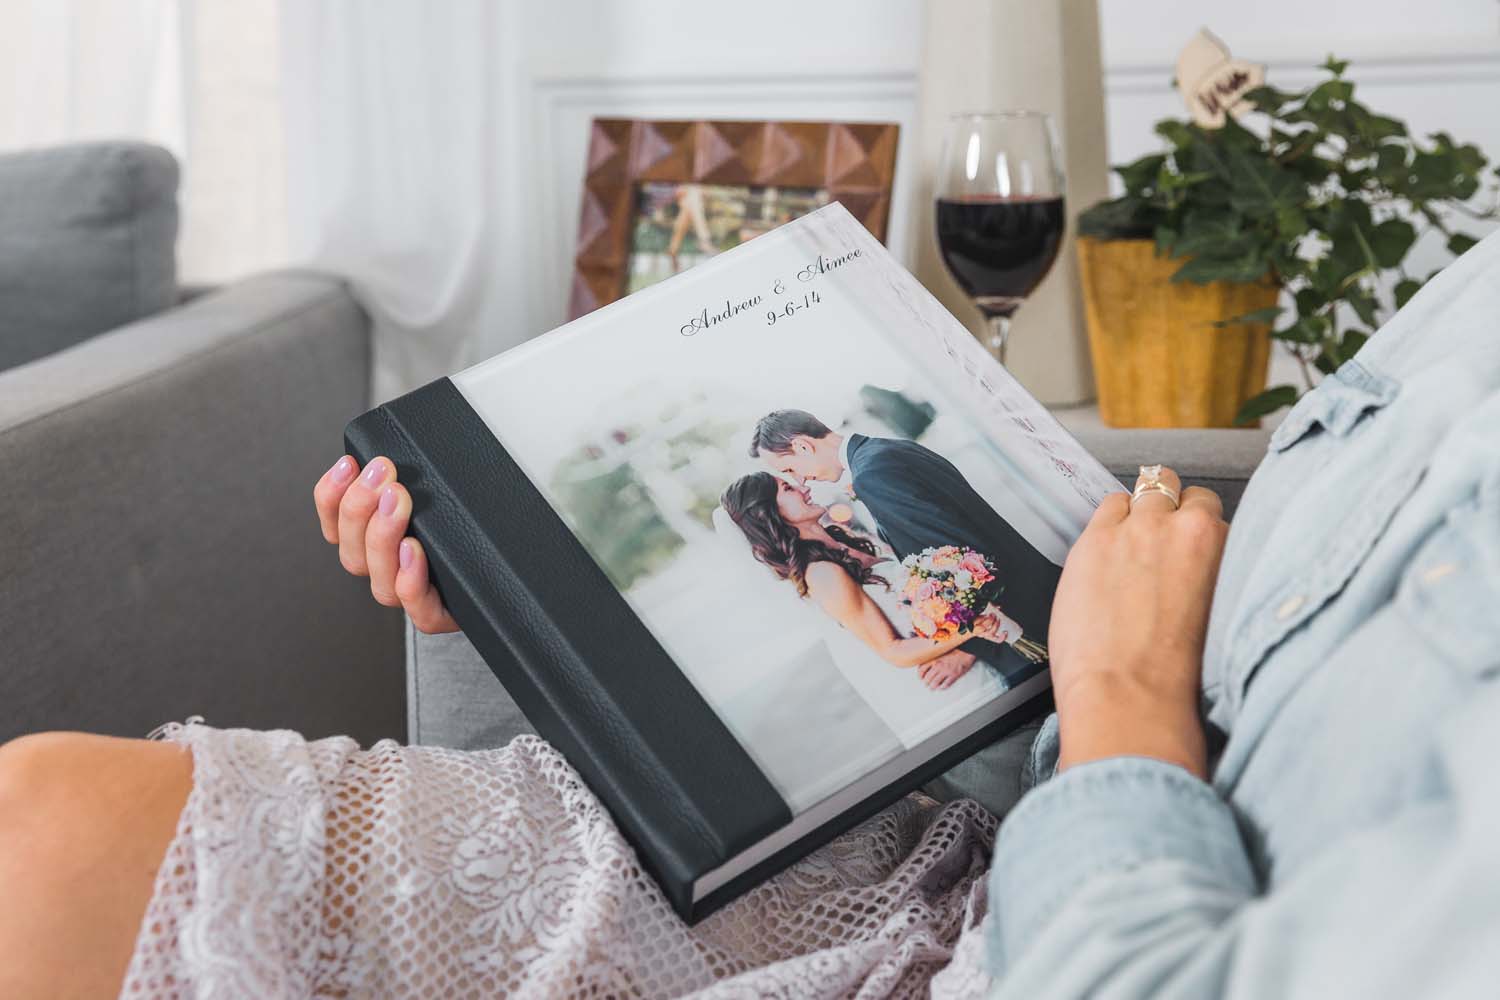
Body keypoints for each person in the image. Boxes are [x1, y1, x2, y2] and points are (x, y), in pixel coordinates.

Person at [2, 230, 1498, 997]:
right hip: (974, 828)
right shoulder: (846, 535)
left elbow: (945, 665)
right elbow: (950, 678)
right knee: (44, 822)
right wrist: (535, 625)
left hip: (1027, 897)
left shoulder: (866, 530)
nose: (809, 475)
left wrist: (1116, 686)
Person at [750, 408, 1062, 685]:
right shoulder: (886, 450)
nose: (802, 480)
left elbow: (960, 557)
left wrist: (970, 644)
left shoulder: (871, 476)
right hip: (1039, 591)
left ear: (804, 446)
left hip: (1025, 623)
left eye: (790, 469)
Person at [719, 470, 1018, 689]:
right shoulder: (822, 573)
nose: (802, 488)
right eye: (787, 488)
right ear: (772, 514)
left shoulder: (845, 538)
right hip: (952, 681)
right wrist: (971, 632)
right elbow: (893, 652)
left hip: (980, 655)